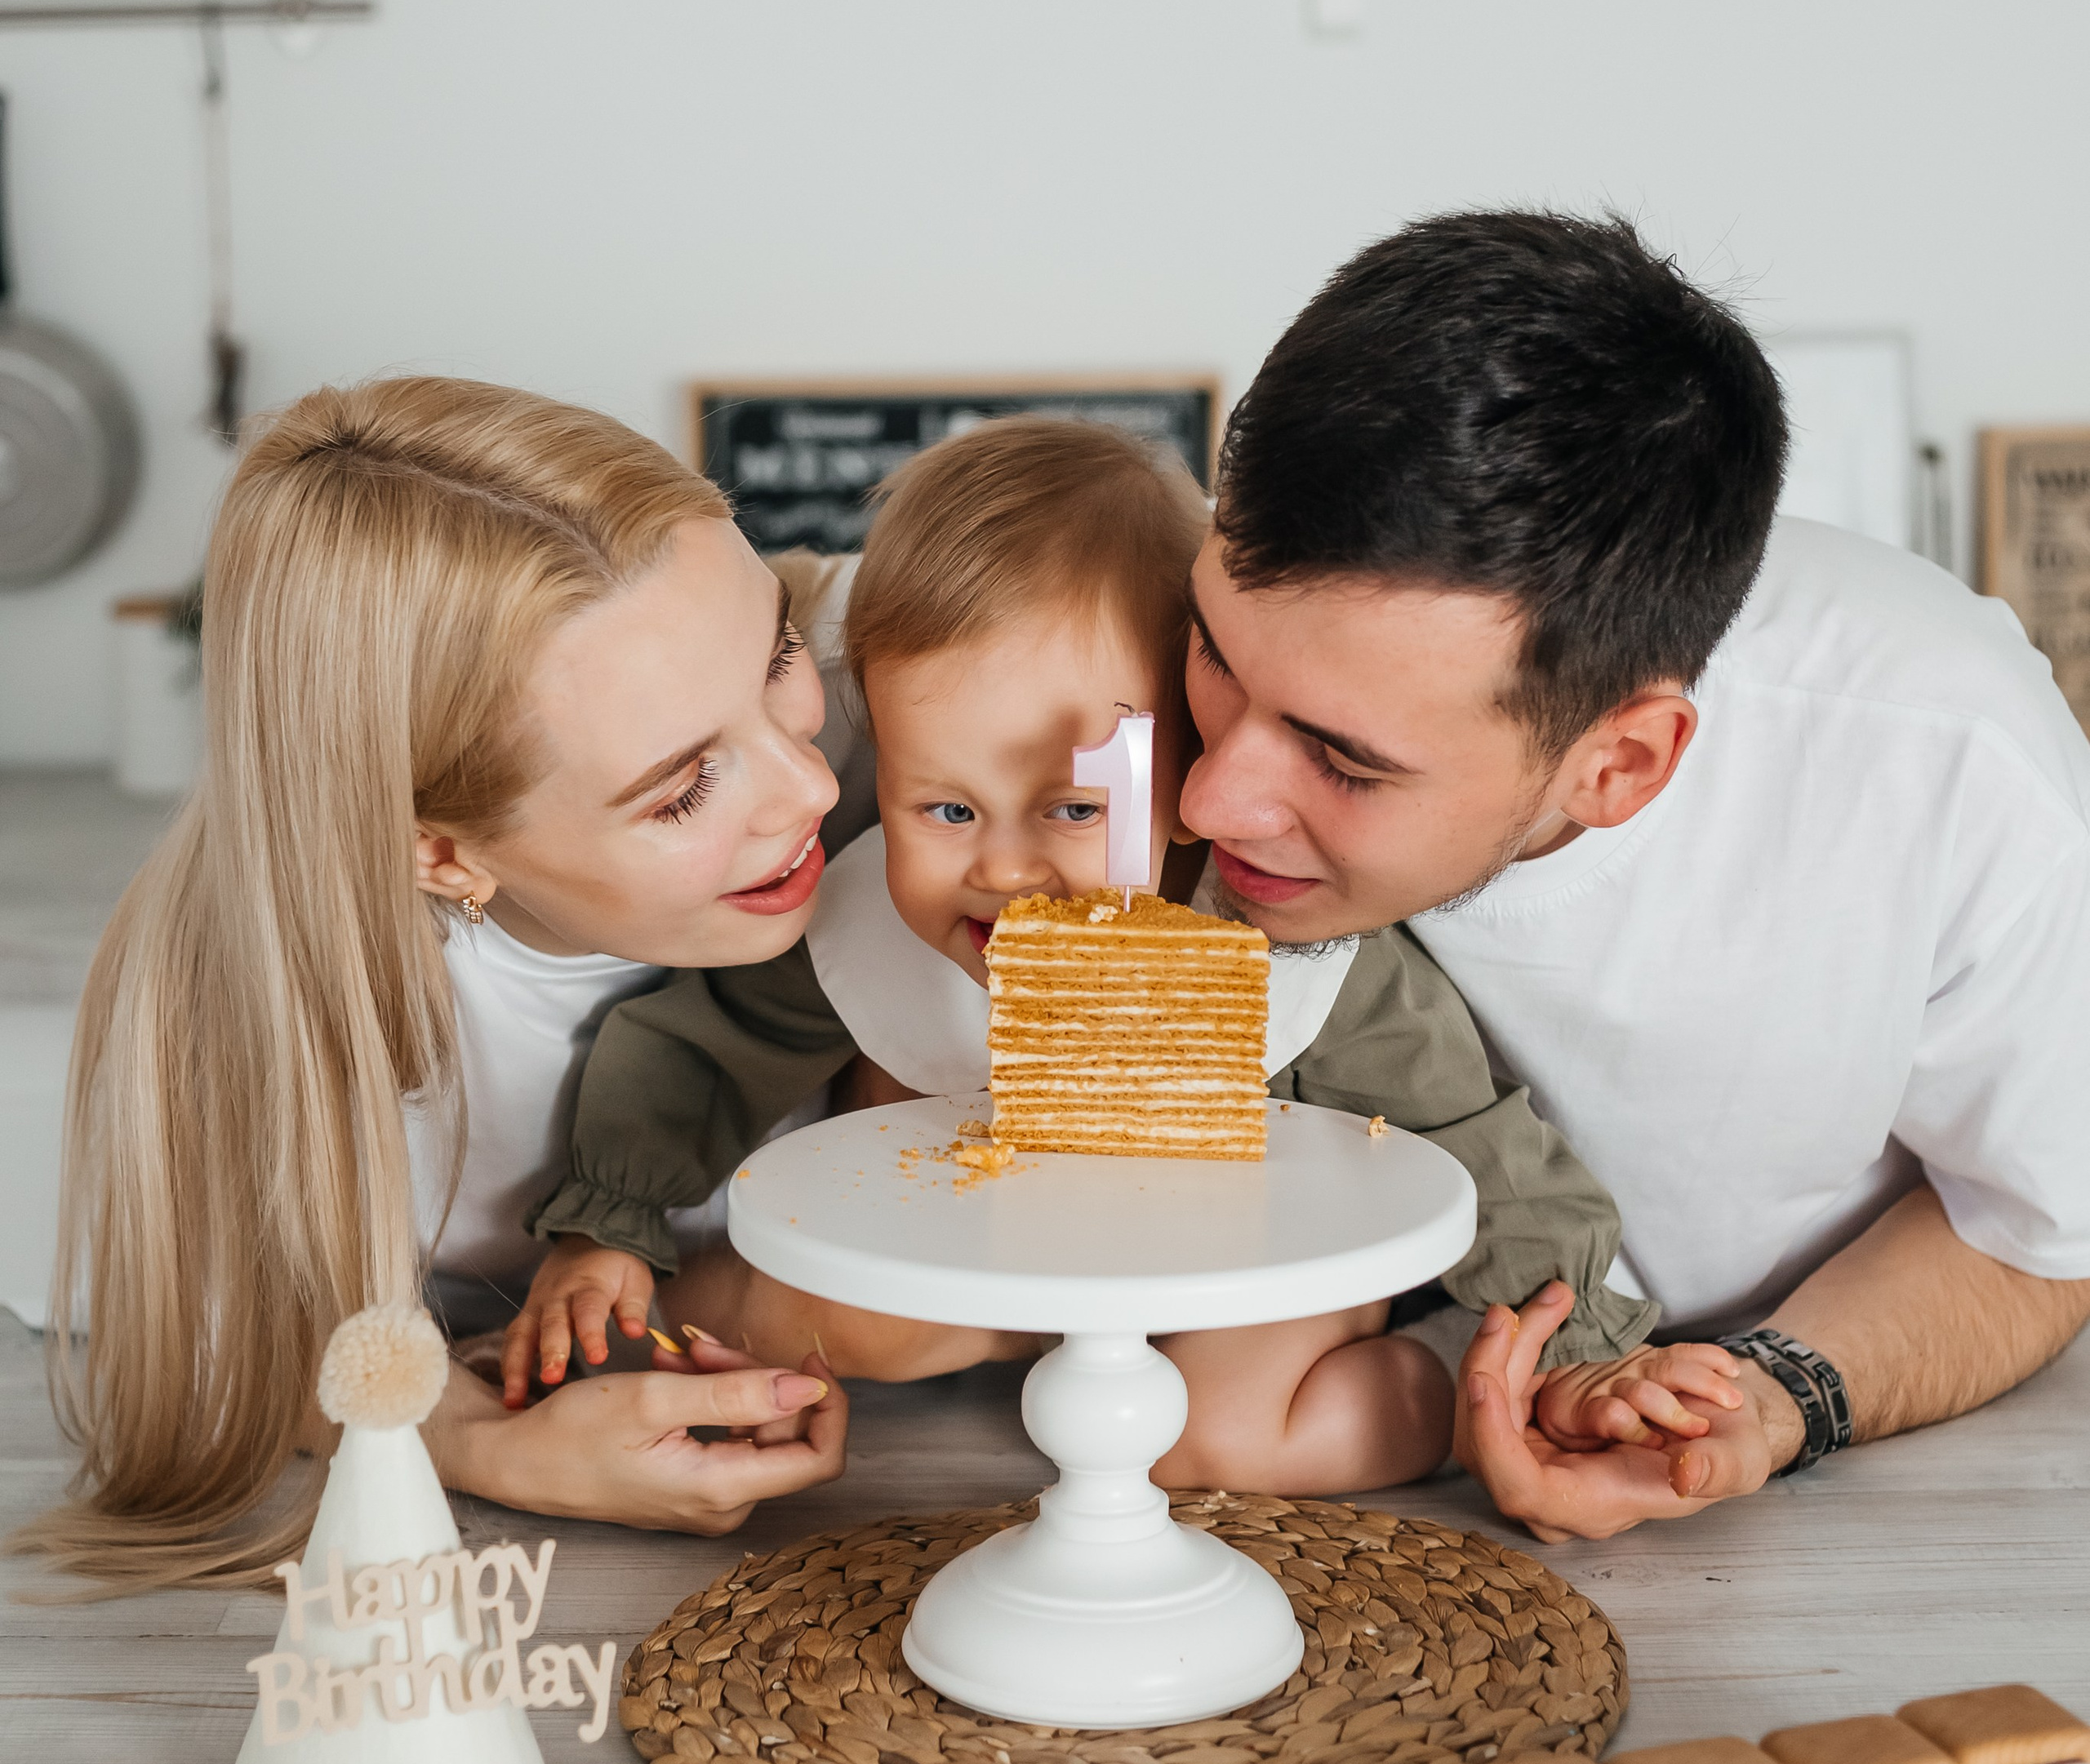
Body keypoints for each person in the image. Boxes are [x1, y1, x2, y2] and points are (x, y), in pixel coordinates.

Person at [508, 416, 1738, 1491]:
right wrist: (610, 1223)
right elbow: (694, 1049)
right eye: (946, 809)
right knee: (805, 1316)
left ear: (1182, 766)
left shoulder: (1284, 947)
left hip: (1241, 1271)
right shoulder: (865, 921)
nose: (1003, 866)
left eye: (1076, 807)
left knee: (1224, 1442)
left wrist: (1583, 1350)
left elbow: (1481, 1139)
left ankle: (1474, 1397)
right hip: (999, 1275)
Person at [1178, 209, 2090, 1540]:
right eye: (1213, 652)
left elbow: (2035, 1236)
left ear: (1622, 766)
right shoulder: (1125, 633)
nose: (1209, 798)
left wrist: (1758, 1404)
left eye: (1343, 759)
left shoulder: (1951, 762)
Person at [11, 378, 852, 1593]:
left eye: (777, 655)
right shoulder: (246, 994)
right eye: (679, 790)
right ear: (443, 851)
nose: (811, 788)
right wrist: (503, 1453)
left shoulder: (882, 720)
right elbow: (238, 1346)